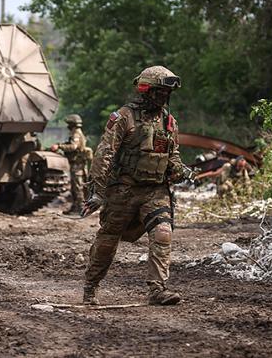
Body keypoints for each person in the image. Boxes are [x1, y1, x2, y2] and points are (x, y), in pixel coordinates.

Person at [81, 65, 194, 306]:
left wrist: (178, 169)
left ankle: (158, 289)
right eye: (159, 93)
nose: (163, 98)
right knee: (108, 240)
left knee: (163, 234)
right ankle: (91, 286)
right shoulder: (124, 117)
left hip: (155, 191)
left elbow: (172, 153)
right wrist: (98, 193)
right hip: (124, 190)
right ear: (146, 91)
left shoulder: (168, 121)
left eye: (167, 94)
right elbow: (104, 154)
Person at [51, 114, 92, 215]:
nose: (67, 126)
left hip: (77, 165)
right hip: (77, 164)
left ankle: (81, 208)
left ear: (72, 124)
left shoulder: (76, 134)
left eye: (69, 124)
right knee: (76, 186)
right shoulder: (77, 133)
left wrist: (59, 146)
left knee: (78, 187)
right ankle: (75, 207)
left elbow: (73, 147)